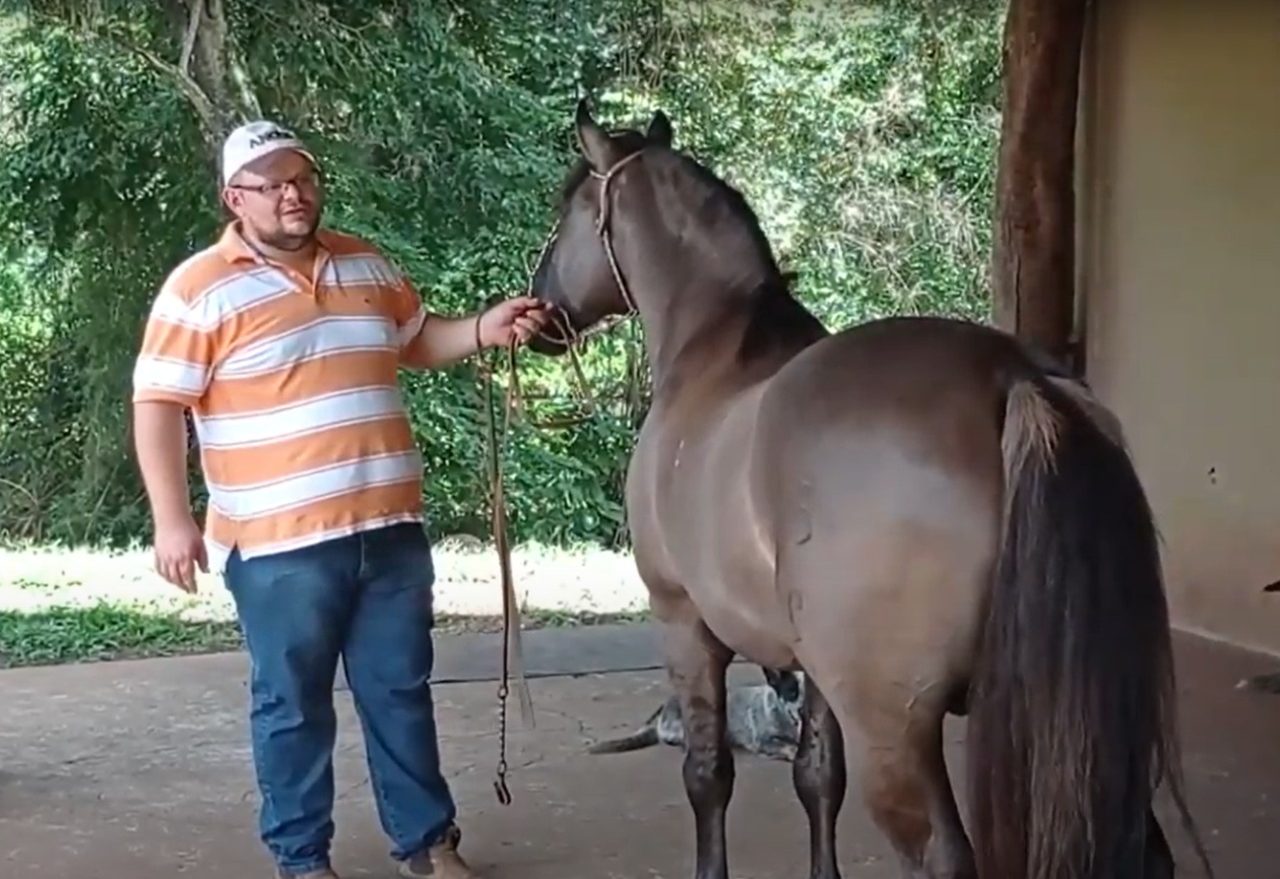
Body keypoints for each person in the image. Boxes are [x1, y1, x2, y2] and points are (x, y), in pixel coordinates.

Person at [130, 120, 550, 879]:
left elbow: (417, 340)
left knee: (400, 690)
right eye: (272, 184)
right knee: (292, 706)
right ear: (235, 198)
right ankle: (301, 858)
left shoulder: (365, 262)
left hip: (389, 530)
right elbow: (157, 403)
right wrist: (172, 518)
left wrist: (485, 329)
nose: (293, 194)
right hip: (276, 546)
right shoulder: (198, 287)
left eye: (303, 178)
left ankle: (426, 843)